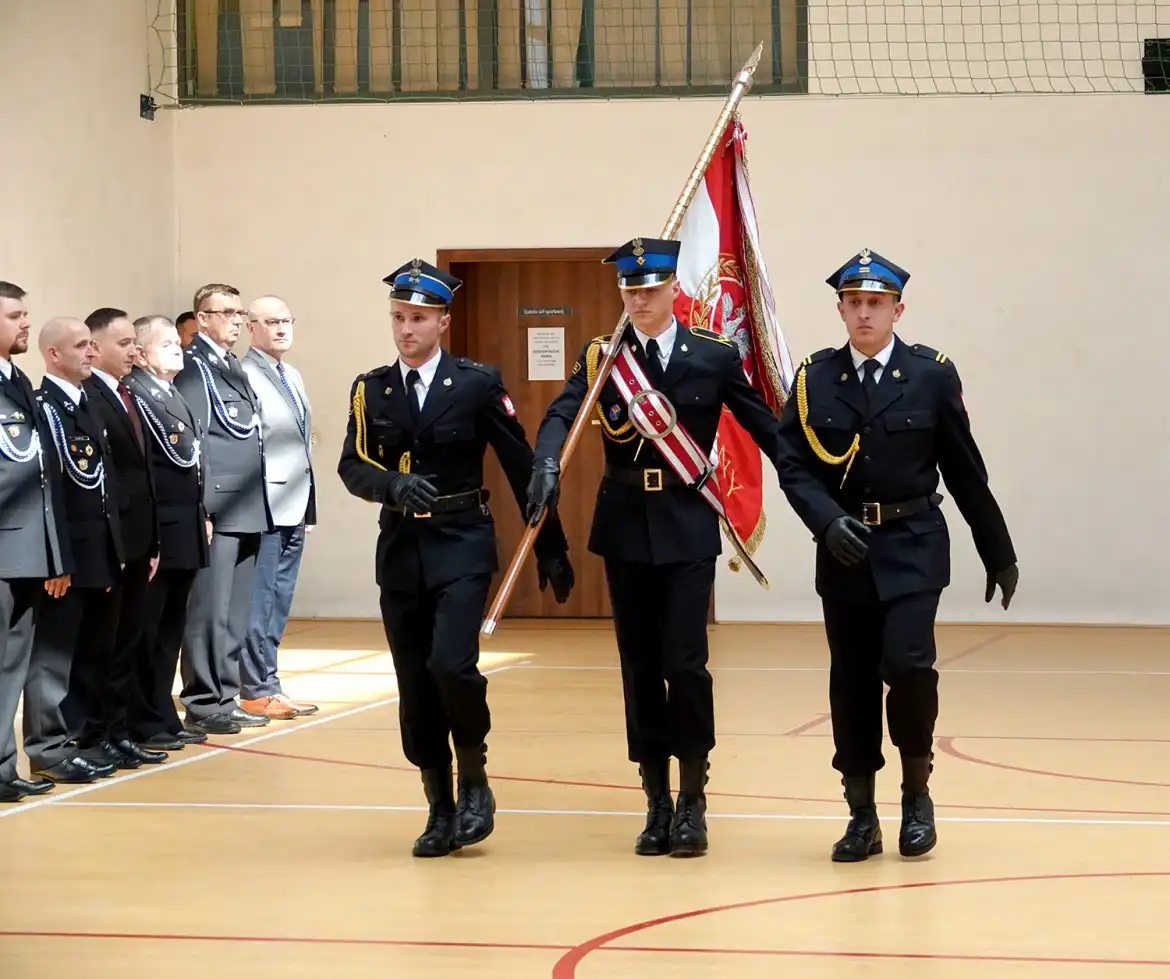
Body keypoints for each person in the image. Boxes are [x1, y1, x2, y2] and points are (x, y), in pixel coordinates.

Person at [525, 237, 789, 858]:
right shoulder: (604, 355)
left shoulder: (714, 355)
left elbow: (765, 429)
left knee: (686, 664)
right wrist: (544, 463)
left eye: (650, 288)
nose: (639, 298)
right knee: (639, 666)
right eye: (629, 288)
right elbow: (562, 415)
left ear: (674, 289)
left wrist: (814, 491)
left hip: (686, 520)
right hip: (624, 523)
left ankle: (694, 799)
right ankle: (656, 801)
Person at [773, 248, 1018, 862]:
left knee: (909, 668)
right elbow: (794, 467)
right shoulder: (813, 379)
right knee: (851, 683)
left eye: (875, 304)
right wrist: (826, 522)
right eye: (853, 304)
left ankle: (916, 793)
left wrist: (997, 549)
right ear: (840, 309)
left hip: (913, 546)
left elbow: (965, 470)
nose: (863, 314)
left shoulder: (931, 375)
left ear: (897, 309)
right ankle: (860, 815)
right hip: (846, 552)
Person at [338, 259, 575, 858]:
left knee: (451, 664)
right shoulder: (372, 389)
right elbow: (352, 465)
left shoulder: (475, 383)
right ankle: (438, 805)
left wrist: (551, 545)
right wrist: (389, 486)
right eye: (398, 318)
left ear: (443, 321)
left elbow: (522, 465)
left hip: (462, 544)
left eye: (418, 318)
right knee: (414, 683)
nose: (406, 330)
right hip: (399, 552)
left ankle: (475, 779)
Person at [24, 317, 123, 783]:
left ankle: (81, 737)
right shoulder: (45, 407)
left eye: (90, 344)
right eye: (80, 346)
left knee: (91, 651)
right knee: (54, 657)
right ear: (53, 355)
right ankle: (48, 747)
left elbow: (103, 489)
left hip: (98, 550)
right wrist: (55, 558)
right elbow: (51, 492)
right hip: (67, 554)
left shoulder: (87, 404)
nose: (90, 352)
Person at [173, 283, 273, 736]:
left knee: (235, 611)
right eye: (226, 312)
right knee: (209, 610)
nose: (235, 319)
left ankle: (225, 695)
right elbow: (194, 442)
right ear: (202, 317)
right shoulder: (195, 368)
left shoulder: (230, 365)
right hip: (219, 505)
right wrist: (203, 508)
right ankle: (202, 700)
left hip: (248, 503)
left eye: (239, 312)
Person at [79, 307, 166, 768]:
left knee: (128, 640)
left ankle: (119, 731)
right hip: (113, 540)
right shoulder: (90, 397)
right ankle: (95, 735)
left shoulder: (129, 393)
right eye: (122, 343)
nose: (133, 350)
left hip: (138, 539)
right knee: (103, 645)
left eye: (135, 342)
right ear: (95, 347)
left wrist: (152, 542)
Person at [124, 315, 212, 750]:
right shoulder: (138, 396)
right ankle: (144, 717)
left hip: (186, 530)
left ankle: (162, 711)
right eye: (166, 345)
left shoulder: (171, 393)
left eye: (178, 344)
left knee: (170, 631)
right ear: (139, 354)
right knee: (148, 630)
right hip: (160, 532)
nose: (179, 350)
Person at [0, 283, 72, 801]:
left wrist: (53, 553)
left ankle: (3, 768)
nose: (26, 323)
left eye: (26, 314)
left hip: (26, 548)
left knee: (11, 664)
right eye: (15, 315)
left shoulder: (18, 380)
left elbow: (41, 476)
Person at [240, 295, 318, 720]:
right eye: (271, 322)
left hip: (294, 503)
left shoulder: (292, 374)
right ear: (251, 328)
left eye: (287, 320)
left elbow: (300, 443)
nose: (282, 328)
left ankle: (270, 682)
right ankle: (254, 688)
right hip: (264, 506)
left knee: (280, 599)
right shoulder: (244, 374)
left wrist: (308, 506)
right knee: (260, 599)